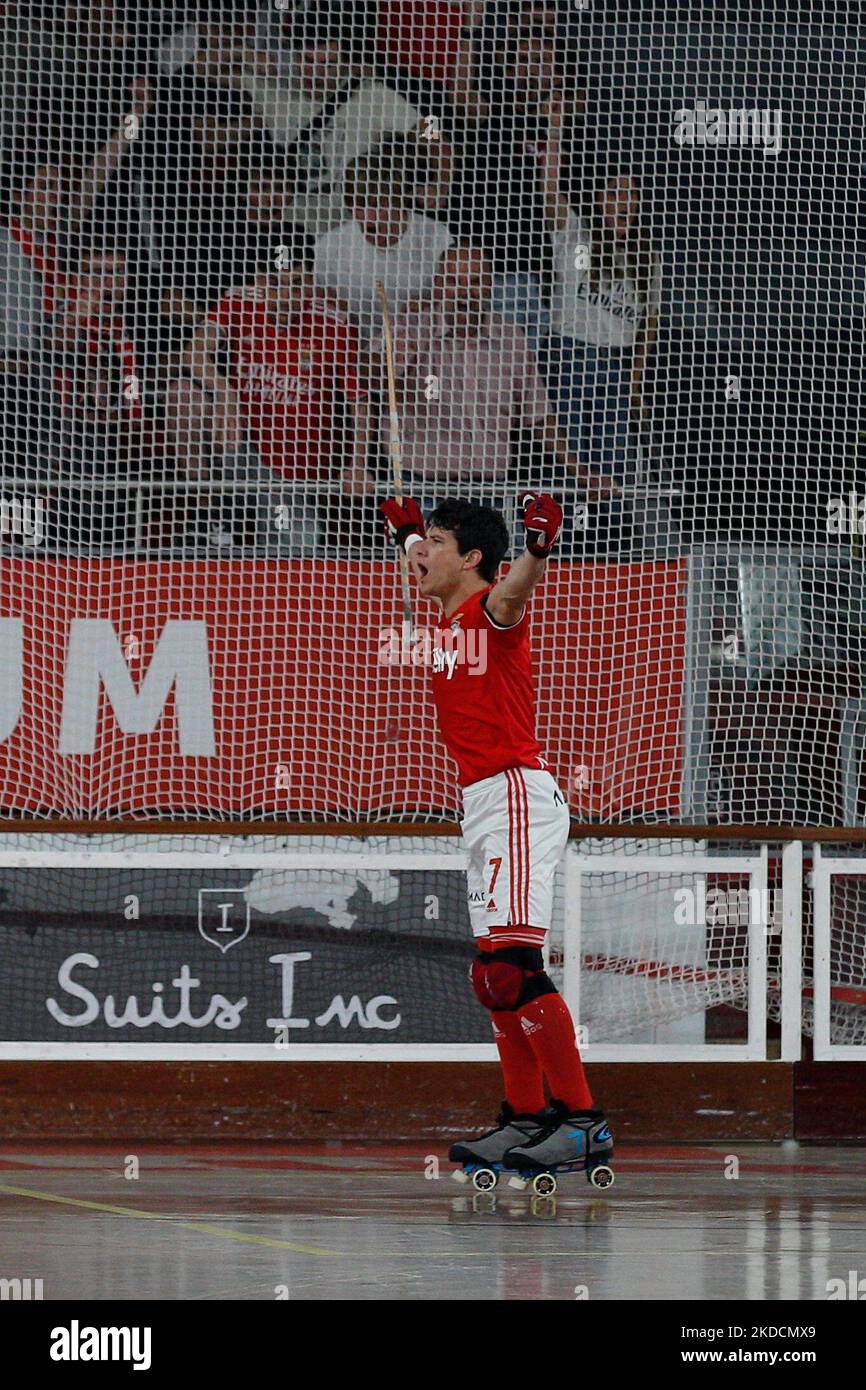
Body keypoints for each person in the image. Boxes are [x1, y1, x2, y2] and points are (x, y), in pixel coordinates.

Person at [378, 491, 614, 1184]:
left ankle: (582, 1123)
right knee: (491, 977)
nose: (422, 557)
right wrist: (408, 530)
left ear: (473, 558)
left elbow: (513, 592)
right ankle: (524, 1115)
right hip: (480, 803)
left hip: (515, 793)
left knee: (515, 966)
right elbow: (423, 558)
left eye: (437, 546)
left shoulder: (489, 612)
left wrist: (539, 547)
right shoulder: (445, 611)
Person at [359, 243, 615, 514]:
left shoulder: (510, 337)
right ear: (437, 284)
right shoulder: (410, 327)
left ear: (490, 285)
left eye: (475, 281)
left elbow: (538, 415)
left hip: (490, 490)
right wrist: (387, 356)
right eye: (455, 281)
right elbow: (366, 378)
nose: (466, 292)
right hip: (421, 486)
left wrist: (582, 472)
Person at [173, 251, 365, 550]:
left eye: (297, 285)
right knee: (182, 395)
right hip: (237, 449)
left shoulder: (335, 327)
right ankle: (210, 507)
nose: (286, 297)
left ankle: (247, 528)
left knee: (293, 551)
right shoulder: (238, 302)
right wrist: (226, 393)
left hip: (291, 465)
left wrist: (359, 463)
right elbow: (194, 352)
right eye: (276, 284)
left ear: (312, 283)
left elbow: (360, 401)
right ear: (260, 282)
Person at [314, 143, 454, 343]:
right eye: (359, 205)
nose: (369, 216)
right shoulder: (330, 247)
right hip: (353, 353)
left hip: (423, 350)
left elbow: (455, 296)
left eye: (378, 205)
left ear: (398, 200)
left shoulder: (438, 238)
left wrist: (432, 303)